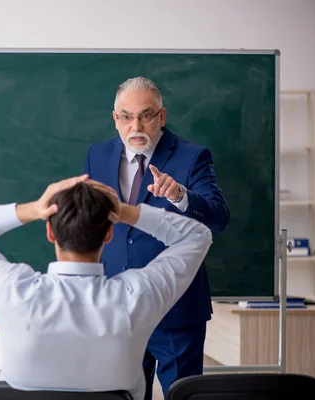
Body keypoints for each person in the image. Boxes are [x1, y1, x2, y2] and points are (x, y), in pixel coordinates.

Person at [0, 174, 212, 400]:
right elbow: (198, 235)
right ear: (109, 233)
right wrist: (125, 211)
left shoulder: (13, 290)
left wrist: (35, 208)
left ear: (50, 232)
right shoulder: (137, 295)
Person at [83, 77, 230, 399]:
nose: (135, 125)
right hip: (116, 306)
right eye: (126, 116)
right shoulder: (98, 155)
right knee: (120, 394)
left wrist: (180, 195)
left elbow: (219, 219)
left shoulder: (192, 157)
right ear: (115, 119)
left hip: (174, 304)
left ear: (161, 117)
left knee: (181, 393)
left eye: (145, 115)